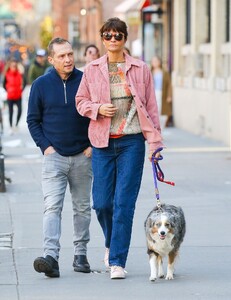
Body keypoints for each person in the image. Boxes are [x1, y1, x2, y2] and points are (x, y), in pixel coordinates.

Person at [76, 17, 164, 280]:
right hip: (102, 142)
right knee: (102, 203)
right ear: (102, 39)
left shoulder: (140, 68)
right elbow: (80, 102)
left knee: (124, 204)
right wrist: (97, 109)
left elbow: (150, 108)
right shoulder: (91, 69)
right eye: (108, 36)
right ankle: (111, 242)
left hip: (131, 142)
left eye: (118, 36)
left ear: (125, 39)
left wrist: (155, 143)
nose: (113, 40)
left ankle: (117, 261)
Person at [27, 37, 92, 278]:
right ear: (51, 59)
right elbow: (33, 120)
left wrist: (92, 146)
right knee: (52, 206)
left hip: (83, 155)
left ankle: (80, 254)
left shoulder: (86, 80)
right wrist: (46, 147)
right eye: (61, 56)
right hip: (54, 157)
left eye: (69, 54)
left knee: (83, 208)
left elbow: (98, 116)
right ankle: (51, 257)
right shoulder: (41, 85)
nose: (67, 59)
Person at [3, 58, 26, 134]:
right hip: (10, 96)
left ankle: (16, 124)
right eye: (12, 65)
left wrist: (21, 90)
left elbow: (25, 82)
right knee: (11, 112)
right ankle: (10, 126)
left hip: (18, 95)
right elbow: (4, 84)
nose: (13, 66)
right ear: (10, 66)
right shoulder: (7, 74)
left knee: (20, 110)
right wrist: (8, 90)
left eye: (15, 65)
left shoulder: (20, 74)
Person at [151, 56, 173, 128]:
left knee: (163, 111)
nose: (155, 63)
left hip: (162, 93)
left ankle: (161, 127)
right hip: (153, 94)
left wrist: (169, 96)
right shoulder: (150, 72)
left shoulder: (164, 72)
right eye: (153, 61)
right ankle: (156, 128)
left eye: (156, 61)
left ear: (159, 62)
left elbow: (169, 85)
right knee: (154, 110)